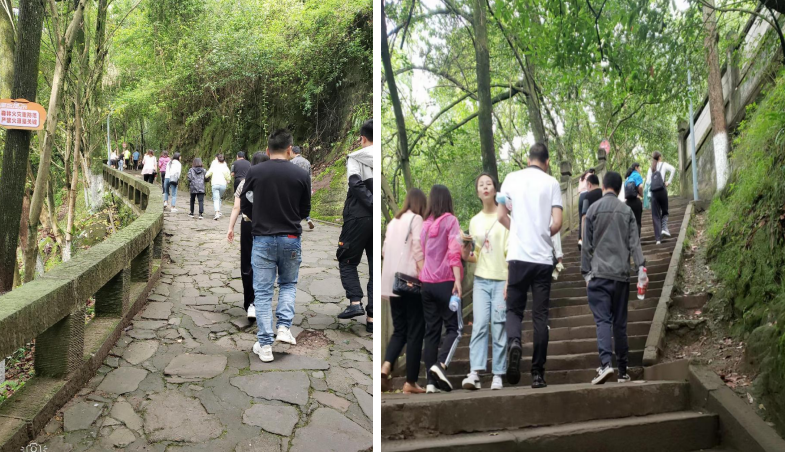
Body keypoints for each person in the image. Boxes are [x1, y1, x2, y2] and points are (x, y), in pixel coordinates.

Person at [240, 129, 310, 364]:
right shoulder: (301, 174)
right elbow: (305, 210)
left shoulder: (255, 171)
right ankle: (283, 328)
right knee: (288, 284)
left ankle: (265, 345)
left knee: (262, 292)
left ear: (267, 150)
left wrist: (256, 217)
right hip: (290, 238)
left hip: (262, 238)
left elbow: (244, 202)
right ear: (290, 149)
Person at [497, 142, 562, 389]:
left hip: (517, 256)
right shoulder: (552, 183)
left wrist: (519, 231)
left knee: (514, 310)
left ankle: (514, 342)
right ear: (547, 162)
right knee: (540, 316)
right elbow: (557, 222)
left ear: (528, 159)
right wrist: (542, 232)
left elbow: (501, 215)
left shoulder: (511, 179)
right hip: (542, 259)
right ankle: (537, 374)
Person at [581, 171, 647, 384]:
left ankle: (605, 364)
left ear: (603, 186)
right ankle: (623, 371)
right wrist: (641, 268)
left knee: (602, 320)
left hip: (599, 275)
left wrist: (586, 273)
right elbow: (634, 243)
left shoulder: (592, 209)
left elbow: (586, 246)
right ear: (619, 190)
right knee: (620, 323)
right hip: (621, 276)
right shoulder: (627, 211)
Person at [460, 173, 509, 391]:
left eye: (489, 184)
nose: (485, 187)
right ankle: (475, 372)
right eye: (481, 185)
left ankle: (498, 373)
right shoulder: (474, 221)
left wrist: (509, 281)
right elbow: (475, 255)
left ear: (495, 190)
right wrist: (465, 251)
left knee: (498, 325)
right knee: (479, 325)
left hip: (501, 279)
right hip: (480, 280)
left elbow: (510, 252)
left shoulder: (505, 218)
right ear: (478, 192)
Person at [380, 188, 427, 394]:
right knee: (416, 330)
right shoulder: (416, 219)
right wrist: (424, 273)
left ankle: (385, 367)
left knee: (400, 329)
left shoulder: (393, 222)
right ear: (421, 204)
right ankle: (411, 382)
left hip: (393, 282)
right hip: (411, 282)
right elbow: (417, 247)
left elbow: (384, 250)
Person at [419, 185, 464, 393]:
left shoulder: (425, 226)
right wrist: (458, 280)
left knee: (432, 332)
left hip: (427, 284)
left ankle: (430, 382)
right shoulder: (451, 221)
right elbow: (454, 251)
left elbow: (420, 253)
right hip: (446, 281)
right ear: (447, 200)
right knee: (455, 328)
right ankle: (441, 364)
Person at [336, 119, 374, 333]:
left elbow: (355, 184)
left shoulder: (355, 157)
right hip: (376, 220)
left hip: (358, 217)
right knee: (375, 268)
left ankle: (355, 302)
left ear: (363, 138)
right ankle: (372, 318)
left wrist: (370, 203)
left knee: (346, 258)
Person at [227, 151, 270, 320]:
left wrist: (230, 228)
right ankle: (261, 302)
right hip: (268, 227)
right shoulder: (272, 182)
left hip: (247, 224)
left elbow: (236, 207)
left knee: (247, 263)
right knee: (265, 264)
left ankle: (251, 303)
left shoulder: (243, 183)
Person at [645, 151, 676, 244]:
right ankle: (664, 228)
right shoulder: (664, 164)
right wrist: (668, 182)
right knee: (665, 211)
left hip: (654, 193)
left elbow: (648, 182)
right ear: (659, 157)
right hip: (662, 190)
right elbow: (673, 169)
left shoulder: (651, 168)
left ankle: (658, 240)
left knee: (655, 215)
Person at [291, 146, 316, 229]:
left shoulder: (292, 162)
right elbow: (309, 176)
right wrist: (310, 187)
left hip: (295, 186)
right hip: (305, 185)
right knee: (304, 203)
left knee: (295, 204)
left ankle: (296, 222)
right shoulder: (307, 162)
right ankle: (308, 218)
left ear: (293, 152)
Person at [206, 153, 231, 220]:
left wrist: (205, 176)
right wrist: (228, 179)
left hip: (215, 184)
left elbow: (209, 172)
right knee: (219, 198)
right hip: (223, 184)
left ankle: (217, 213)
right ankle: (218, 211)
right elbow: (227, 174)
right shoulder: (225, 166)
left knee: (216, 199)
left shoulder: (214, 165)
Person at [623, 163, 644, 237]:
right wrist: (641, 195)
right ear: (636, 168)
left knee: (629, 222)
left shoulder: (628, 178)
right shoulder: (637, 175)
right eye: (639, 168)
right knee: (637, 222)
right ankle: (637, 240)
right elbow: (640, 187)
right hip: (636, 201)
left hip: (627, 203)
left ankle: (630, 240)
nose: (640, 170)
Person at [580, 174, 602, 241]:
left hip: (592, 233)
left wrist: (583, 237)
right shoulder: (604, 194)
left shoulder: (587, 197)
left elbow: (584, 217)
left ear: (589, 184)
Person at [577, 168, 595, 249]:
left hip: (580, 196)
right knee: (587, 217)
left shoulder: (581, 178)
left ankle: (580, 240)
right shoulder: (591, 176)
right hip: (587, 195)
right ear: (593, 172)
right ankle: (587, 239)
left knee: (581, 219)